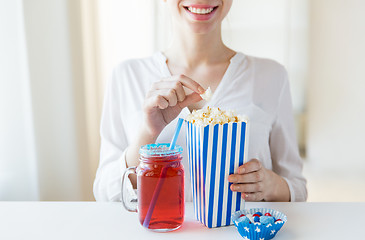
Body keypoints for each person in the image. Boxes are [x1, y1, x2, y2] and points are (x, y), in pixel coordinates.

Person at [93, 0, 307, 202]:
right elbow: (105, 191)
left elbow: (297, 188)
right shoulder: (126, 76)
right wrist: (149, 132)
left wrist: (272, 185)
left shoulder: (271, 76)